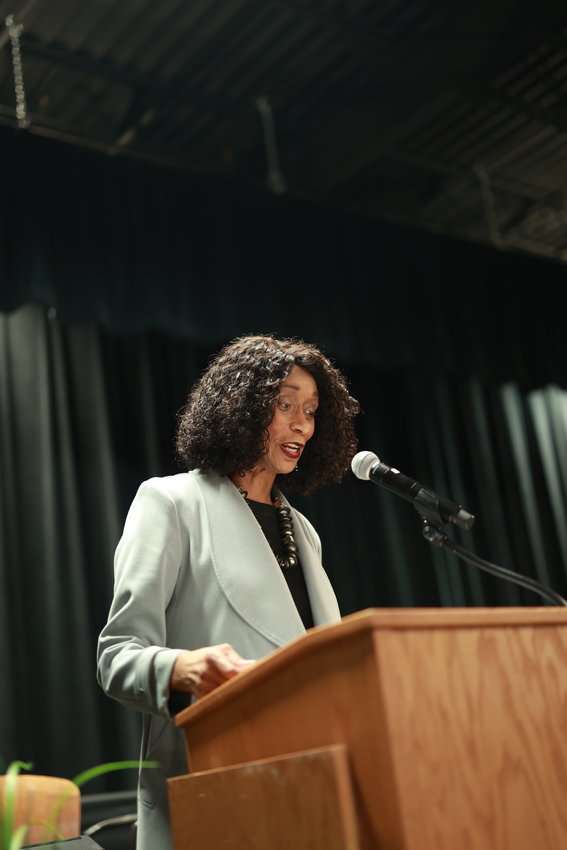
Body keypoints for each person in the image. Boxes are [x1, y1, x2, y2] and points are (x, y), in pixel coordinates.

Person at [96, 334, 360, 850]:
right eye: (284, 404)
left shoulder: (303, 531)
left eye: (310, 410)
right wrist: (180, 669)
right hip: (215, 786)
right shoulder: (172, 502)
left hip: (310, 786)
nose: (302, 424)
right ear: (242, 406)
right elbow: (116, 657)